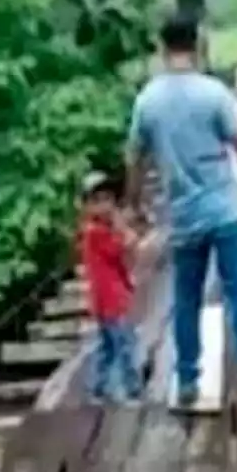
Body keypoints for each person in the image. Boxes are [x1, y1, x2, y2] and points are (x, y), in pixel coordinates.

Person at [124, 13, 237, 408]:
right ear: (197, 43)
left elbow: (134, 158)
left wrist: (135, 206)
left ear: (162, 48)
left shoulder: (147, 100)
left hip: (182, 216)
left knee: (186, 298)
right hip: (225, 210)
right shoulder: (213, 93)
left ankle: (186, 380)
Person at [78, 171, 143, 403]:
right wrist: (124, 230)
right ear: (86, 207)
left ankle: (99, 387)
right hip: (111, 300)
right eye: (96, 201)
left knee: (108, 346)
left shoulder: (98, 232)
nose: (104, 206)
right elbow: (120, 250)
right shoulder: (95, 233)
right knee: (125, 344)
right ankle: (133, 389)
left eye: (108, 199)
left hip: (108, 299)